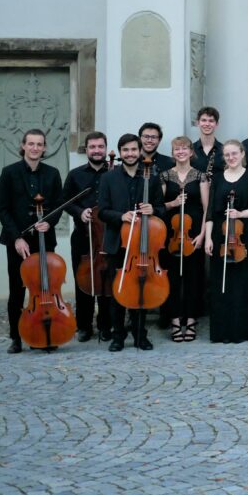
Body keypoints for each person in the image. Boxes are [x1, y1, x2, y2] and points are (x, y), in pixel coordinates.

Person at [0, 129, 64, 354]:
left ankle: (47, 333)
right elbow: (3, 210)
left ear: (44, 148)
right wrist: (17, 237)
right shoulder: (9, 173)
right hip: (18, 241)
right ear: (23, 146)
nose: (35, 148)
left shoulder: (52, 173)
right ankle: (16, 337)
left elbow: (57, 205)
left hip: (44, 239)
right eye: (31, 144)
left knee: (46, 287)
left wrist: (50, 222)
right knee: (17, 289)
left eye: (39, 144)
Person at [98, 133, 166, 352]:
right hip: (118, 242)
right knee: (118, 291)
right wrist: (121, 216)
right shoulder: (109, 178)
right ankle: (118, 336)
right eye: (125, 150)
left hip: (144, 244)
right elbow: (102, 211)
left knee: (141, 289)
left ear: (140, 152)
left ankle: (140, 334)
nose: (130, 154)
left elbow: (162, 208)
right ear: (120, 153)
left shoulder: (151, 177)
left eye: (133, 150)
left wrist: (153, 209)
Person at [204, 139, 248, 344]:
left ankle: (242, 330)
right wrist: (208, 239)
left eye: (234, 154)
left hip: (243, 235)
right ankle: (222, 331)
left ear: (242, 154)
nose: (231, 158)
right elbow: (211, 211)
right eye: (227, 155)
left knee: (243, 283)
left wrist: (239, 213)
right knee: (222, 284)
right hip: (220, 236)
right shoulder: (218, 179)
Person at [62, 131, 110, 343]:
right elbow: (65, 202)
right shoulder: (75, 174)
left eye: (100, 147)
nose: (97, 150)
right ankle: (84, 325)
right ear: (86, 149)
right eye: (93, 147)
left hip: (108, 236)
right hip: (83, 234)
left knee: (107, 280)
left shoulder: (114, 173)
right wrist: (80, 212)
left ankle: (106, 324)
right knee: (83, 280)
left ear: (106, 149)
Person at [159, 136, 208, 342]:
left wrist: (202, 235)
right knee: (172, 279)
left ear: (191, 152)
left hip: (193, 234)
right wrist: (173, 203)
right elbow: (159, 206)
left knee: (192, 278)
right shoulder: (164, 176)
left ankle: (190, 319)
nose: (180, 152)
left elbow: (207, 209)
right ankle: (175, 320)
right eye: (176, 149)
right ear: (173, 153)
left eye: (184, 148)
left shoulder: (201, 176)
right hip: (170, 235)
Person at [191, 106, 224, 181]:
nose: (207, 124)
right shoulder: (189, 150)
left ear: (217, 124)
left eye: (211, 121)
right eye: (204, 120)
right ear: (198, 123)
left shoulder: (225, 150)